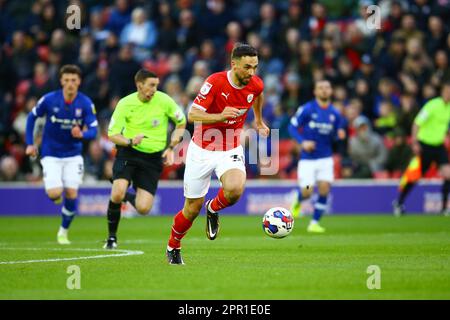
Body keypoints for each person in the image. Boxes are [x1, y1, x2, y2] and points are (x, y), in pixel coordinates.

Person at [165, 43, 270, 265]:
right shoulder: (215, 82)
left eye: (255, 67)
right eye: (247, 67)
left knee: (235, 189)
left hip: (230, 148)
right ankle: (173, 245)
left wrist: (258, 120)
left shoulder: (255, 84)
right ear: (234, 64)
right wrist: (220, 116)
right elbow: (192, 114)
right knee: (191, 210)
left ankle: (213, 208)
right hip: (201, 149)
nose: (251, 72)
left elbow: (258, 94)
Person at [105, 69, 186, 249]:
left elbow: (181, 121)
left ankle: (125, 193)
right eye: (151, 85)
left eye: (156, 85)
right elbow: (112, 134)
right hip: (129, 152)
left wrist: (172, 146)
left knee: (143, 208)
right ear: (139, 85)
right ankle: (111, 238)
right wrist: (129, 141)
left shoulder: (164, 100)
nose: (154, 89)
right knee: (116, 193)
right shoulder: (125, 104)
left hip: (153, 159)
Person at [25, 64, 98, 244]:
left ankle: (63, 232)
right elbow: (31, 117)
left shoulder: (86, 103)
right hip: (51, 153)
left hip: (73, 155)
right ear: (61, 81)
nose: (70, 84)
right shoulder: (49, 100)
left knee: (72, 193)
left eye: (74, 80)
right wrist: (30, 143)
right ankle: (56, 195)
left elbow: (94, 130)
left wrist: (82, 134)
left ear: (79, 81)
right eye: (66, 80)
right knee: (54, 193)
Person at [288, 80, 346, 233]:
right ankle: (298, 199)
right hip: (308, 159)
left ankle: (314, 223)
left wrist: (339, 135)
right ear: (315, 92)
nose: (324, 90)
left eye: (327, 87)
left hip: (325, 158)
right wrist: (302, 142)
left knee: (324, 189)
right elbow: (292, 126)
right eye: (321, 88)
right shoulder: (307, 109)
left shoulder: (335, 114)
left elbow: (336, 134)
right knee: (308, 189)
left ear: (331, 91)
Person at [393, 82, 450, 216]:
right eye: (447, 91)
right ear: (442, 92)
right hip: (424, 145)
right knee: (415, 176)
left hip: (438, 145)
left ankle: (444, 207)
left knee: (448, 174)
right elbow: (417, 123)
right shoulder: (432, 105)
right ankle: (399, 202)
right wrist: (415, 143)